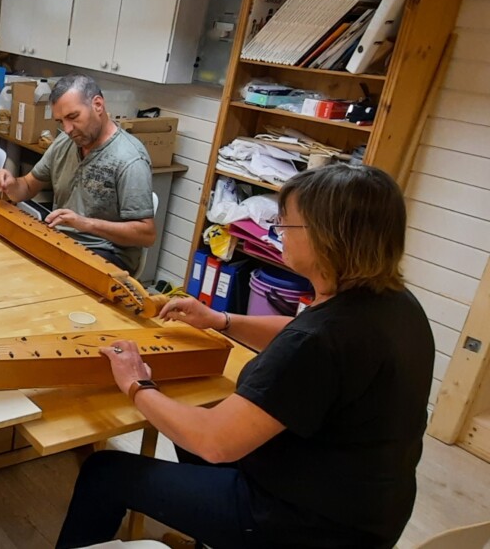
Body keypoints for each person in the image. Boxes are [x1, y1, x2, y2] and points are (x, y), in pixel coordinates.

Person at [57, 164, 433, 549]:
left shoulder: (320, 341)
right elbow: (299, 330)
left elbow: (214, 441)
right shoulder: (393, 303)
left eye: (286, 224)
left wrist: (136, 383)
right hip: (366, 508)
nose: (278, 232)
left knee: (105, 472)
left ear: (327, 238)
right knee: (190, 417)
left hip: (304, 526)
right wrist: (221, 320)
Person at [0, 74, 155, 274]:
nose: (67, 129)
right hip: (61, 241)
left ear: (98, 105)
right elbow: (28, 186)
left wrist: (86, 224)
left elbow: (146, 235)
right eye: (60, 121)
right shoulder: (65, 142)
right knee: (1, 260)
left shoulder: (129, 159)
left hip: (105, 254)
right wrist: (10, 184)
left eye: (73, 117)